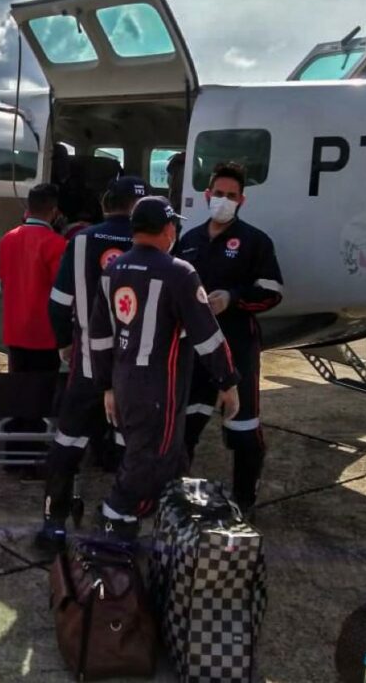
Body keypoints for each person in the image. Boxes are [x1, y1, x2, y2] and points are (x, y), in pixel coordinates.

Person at [89, 196, 240, 541]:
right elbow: (207, 335)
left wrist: (107, 387)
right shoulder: (178, 272)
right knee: (146, 462)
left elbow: (99, 336)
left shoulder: (113, 270)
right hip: (158, 387)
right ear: (169, 229)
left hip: (125, 381)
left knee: (171, 460)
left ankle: (172, 530)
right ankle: (112, 525)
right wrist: (228, 381)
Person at [35, 175, 146, 553]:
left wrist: (66, 345)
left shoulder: (81, 241)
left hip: (87, 363)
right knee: (128, 452)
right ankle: (118, 530)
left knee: (67, 445)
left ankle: (52, 526)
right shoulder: (152, 244)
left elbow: (57, 304)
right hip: (133, 368)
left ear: (105, 203)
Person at [174, 162, 284, 510]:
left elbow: (272, 291)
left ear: (242, 201)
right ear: (207, 195)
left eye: (231, 196)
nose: (223, 200)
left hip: (237, 350)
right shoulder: (189, 240)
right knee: (185, 428)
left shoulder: (255, 241)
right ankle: (177, 498)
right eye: (218, 194)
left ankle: (244, 501)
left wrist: (233, 298)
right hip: (194, 351)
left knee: (244, 430)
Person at [0, 183, 67, 373]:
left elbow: (4, 282)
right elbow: (62, 291)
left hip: (14, 332)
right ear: (54, 211)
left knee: (19, 390)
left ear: (28, 209)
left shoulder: (7, 240)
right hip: (44, 335)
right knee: (42, 393)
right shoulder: (57, 244)